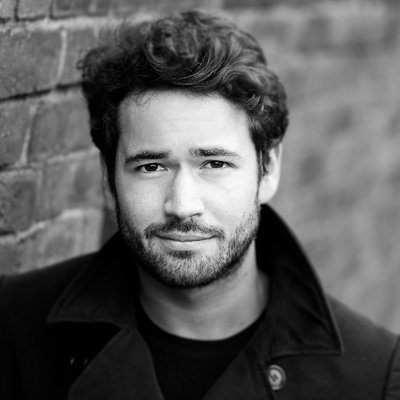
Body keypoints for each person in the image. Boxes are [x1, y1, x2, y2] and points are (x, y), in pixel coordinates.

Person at [0, 10, 399, 400]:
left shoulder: (374, 377)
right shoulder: (15, 325)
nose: (182, 205)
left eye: (215, 164)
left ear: (268, 169)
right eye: (151, 167)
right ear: (108, 178)